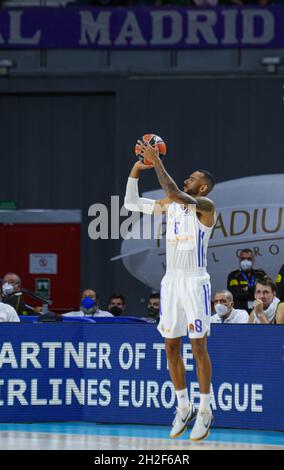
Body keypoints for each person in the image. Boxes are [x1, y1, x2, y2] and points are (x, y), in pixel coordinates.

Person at [124, 139, 216, 442]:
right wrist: (137, 169)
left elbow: (174, 191)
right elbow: (132, 205)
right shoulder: (171, 205)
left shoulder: (205, 207)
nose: (188, 179)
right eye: (188, 176)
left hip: (194, 282)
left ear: (202, 189)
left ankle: (205, 409)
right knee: (170, 346)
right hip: (171, 282)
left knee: (198, 346)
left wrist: (157, 161)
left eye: (194, 178)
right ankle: (183, 405)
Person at [227, 249, 267, 313]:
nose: (246, 261)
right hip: (240, 312)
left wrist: (246, 289)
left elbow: (266, 292)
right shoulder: (234, 276)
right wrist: (256, 290)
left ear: (253, 260)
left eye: (249, 259)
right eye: (243, 259)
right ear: (239, 260)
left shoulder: (261, 274)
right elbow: (237, 294)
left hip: (260, 311)